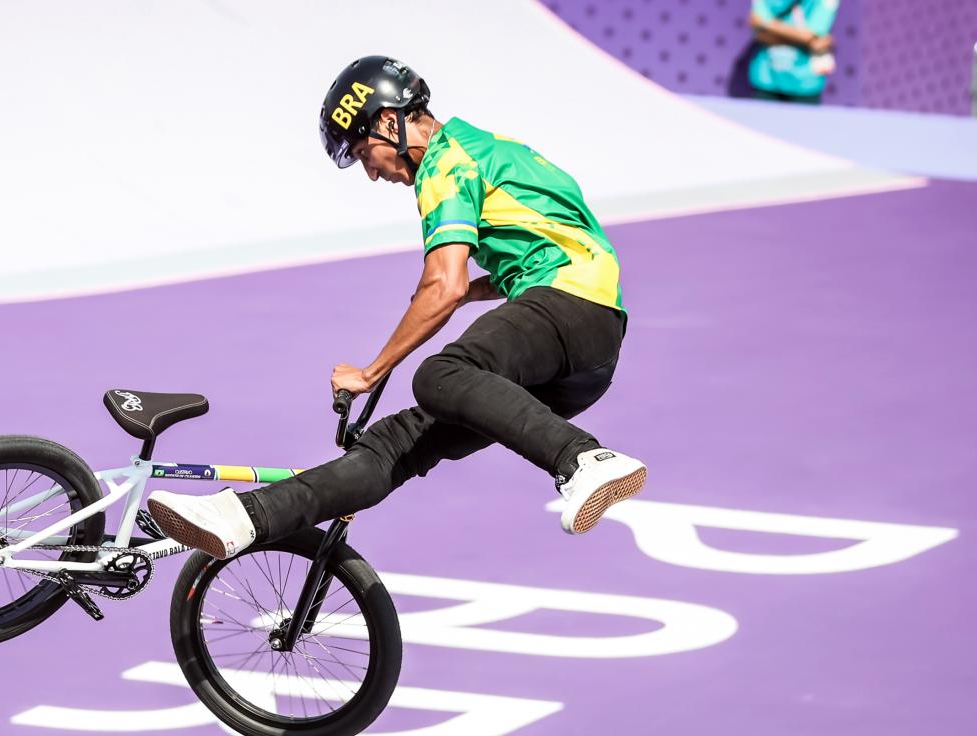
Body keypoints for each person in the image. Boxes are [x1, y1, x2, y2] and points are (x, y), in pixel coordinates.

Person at [146, 55, 646, 560]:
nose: (371, 173)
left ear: (392, 122)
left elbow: (441, 285)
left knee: (441, 375)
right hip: (588, 341)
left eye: (366, 152)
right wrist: (482, 289)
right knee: (396, 444)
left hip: (570, 308)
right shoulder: (497, 150)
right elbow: (563, 240)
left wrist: (370, 372)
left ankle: (583, 458)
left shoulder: (446, 165)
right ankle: (244, 517)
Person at [747, 0, 839, 105]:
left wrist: (767, 25)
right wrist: (806, 39)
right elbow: (759, 32)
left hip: (805, 84)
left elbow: (813, 35)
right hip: (767, 80)